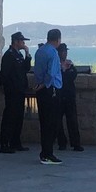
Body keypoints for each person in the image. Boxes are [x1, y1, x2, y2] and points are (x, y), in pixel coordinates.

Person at [33, 28, 64, 165]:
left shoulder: (40, 51)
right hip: (51, 89)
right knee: (52, 123)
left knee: (44, 122)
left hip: (41, 90)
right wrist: (44, 84)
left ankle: (45, 152)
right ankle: (48, 154)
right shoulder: (53, 53)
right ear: (58, 39)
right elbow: (51, 74)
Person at [0, 32, 32, 153]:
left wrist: (27, 54)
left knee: (18, 117)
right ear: (16, 42)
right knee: (10, 117)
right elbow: (4, 74)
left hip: (20, 91)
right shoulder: (9, 55)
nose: (24, 43)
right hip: (12, 91)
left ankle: (15, 142)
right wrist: (8, 88)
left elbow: (26, 68)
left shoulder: (19, 55)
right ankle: (5, 144)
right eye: (22, 41)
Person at [55, 42, 84, 152]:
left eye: (65, 52)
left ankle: (76, 143)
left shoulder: (70, 64)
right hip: (59, 95)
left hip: (69, 95)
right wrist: (62, 70)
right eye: (62, 52)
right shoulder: (55, 65)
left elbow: (73, 76)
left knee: (72, 120)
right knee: (58, 121)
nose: (65, 54)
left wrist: (67, 69)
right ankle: (62, 143)